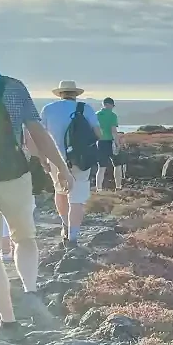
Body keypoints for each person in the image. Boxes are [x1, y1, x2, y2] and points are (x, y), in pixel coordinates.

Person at [0, 72, 72, 334]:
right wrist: (59, 167)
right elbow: (37, 133)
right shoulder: (12, 87)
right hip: (14, 174)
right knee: (24, 238)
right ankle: (29, 291)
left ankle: (8, 321)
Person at [40, 80, 102, 248]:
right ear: (75, 94)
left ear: (60, 93)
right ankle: (73, 237)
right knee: (77, 198)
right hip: (81, 159)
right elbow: (98, 133)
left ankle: (65, 226)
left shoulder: (48, 109)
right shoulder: (85, 108)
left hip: (55, 159)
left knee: (60, 192)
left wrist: (42, 159)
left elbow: (40, 136)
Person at [95, 97, 124, 192]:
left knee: (101, 167)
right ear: (110, 105)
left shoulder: (96, 115)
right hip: (110, 142)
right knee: (117, 165)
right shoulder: (112, 115)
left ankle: (99, 189)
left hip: (100, 143)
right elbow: (113, 131)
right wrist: (117, 143)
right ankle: (118, 186)